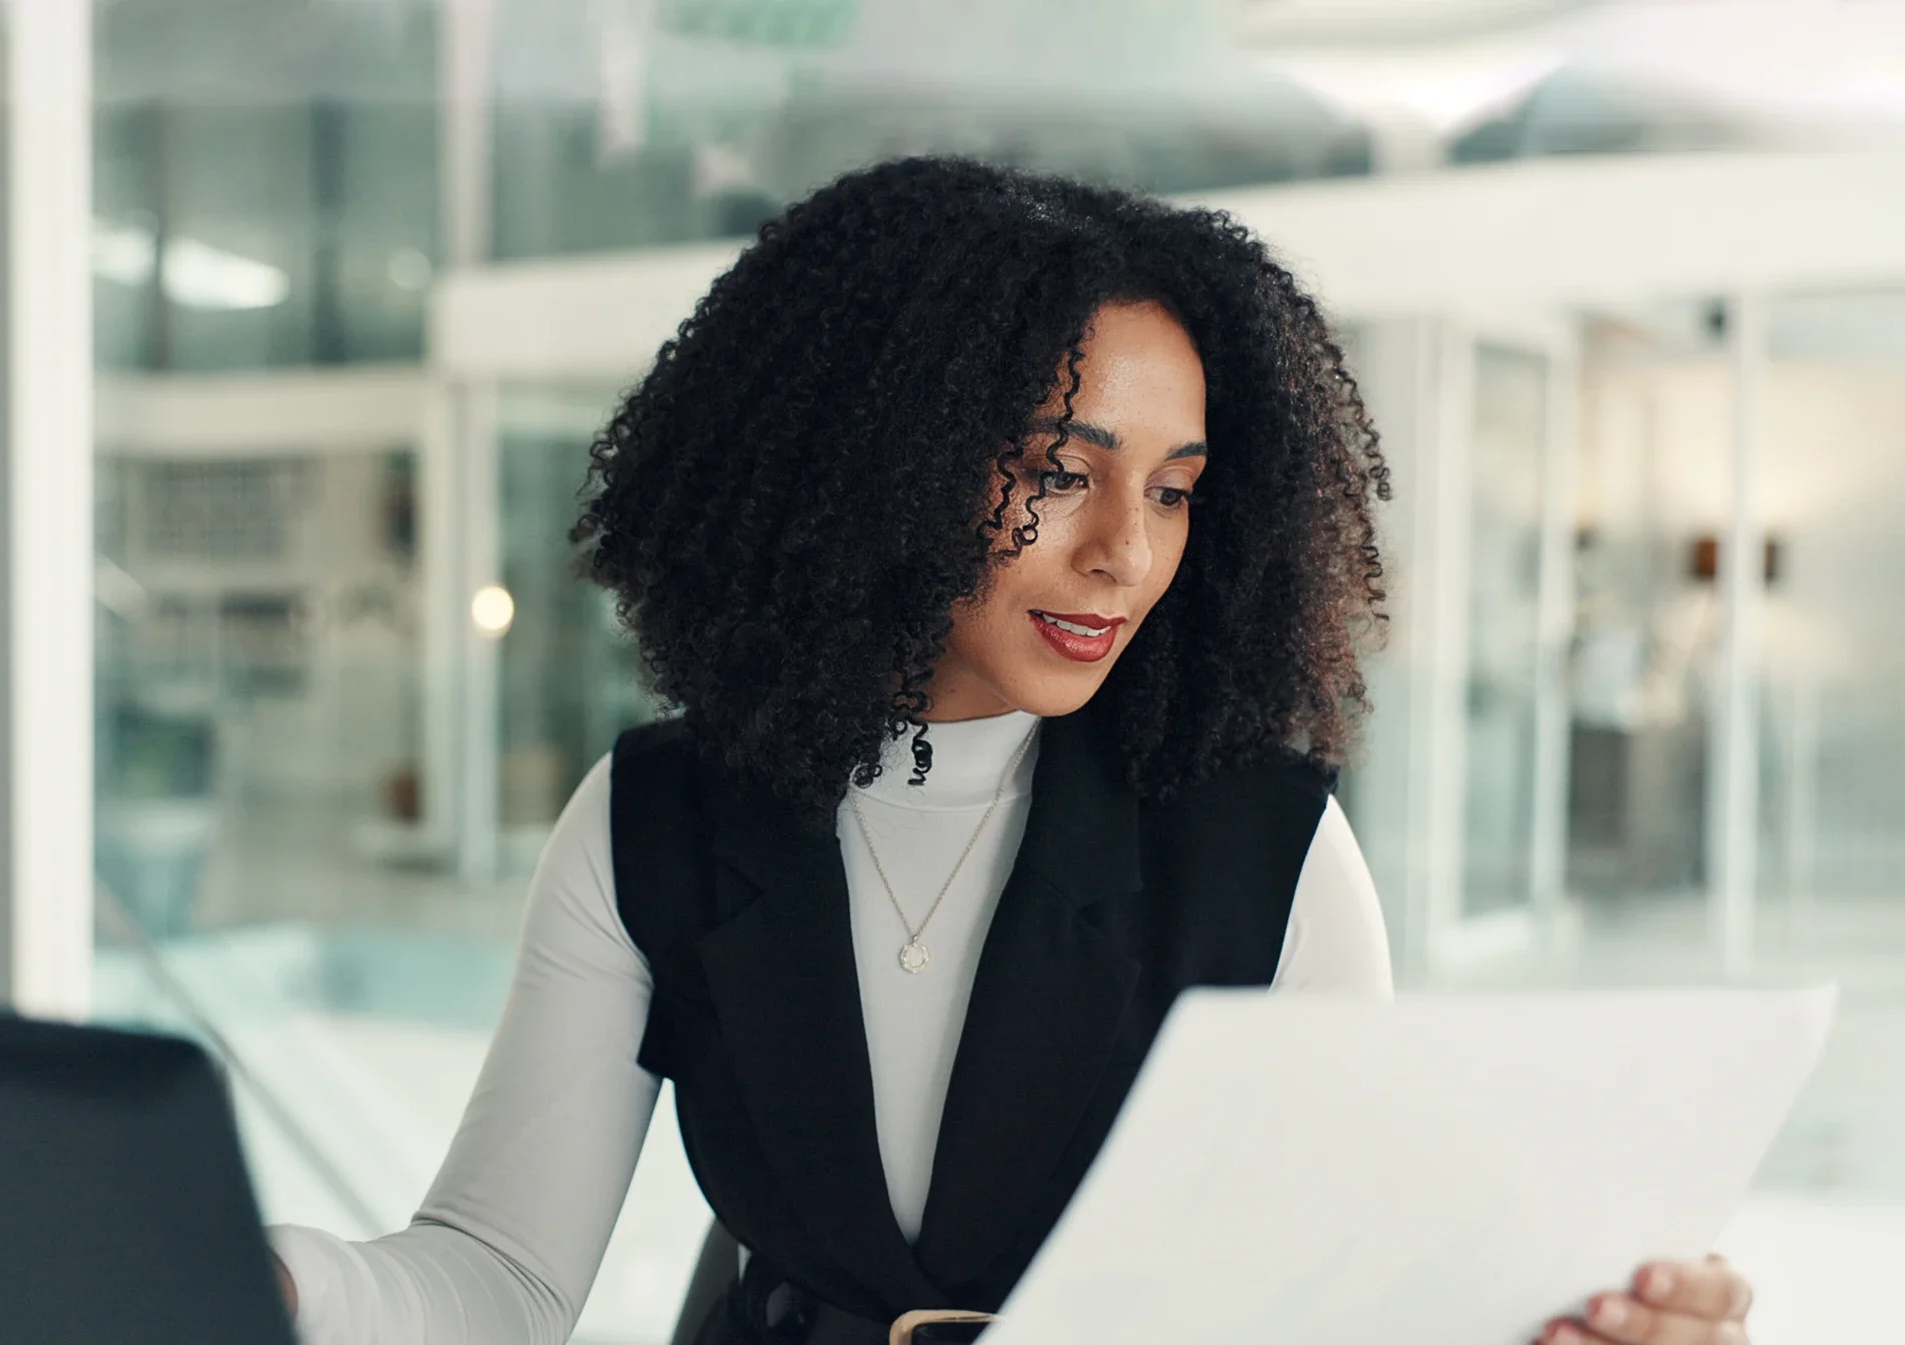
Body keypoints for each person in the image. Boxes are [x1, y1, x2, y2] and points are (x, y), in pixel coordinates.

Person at [268, 158, 1757, 1345]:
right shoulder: (657, 820)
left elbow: (1336, 1300)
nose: (1125, 552)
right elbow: (497, 1284)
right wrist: (269, 1281)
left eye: (1174, 491)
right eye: (1061, 472)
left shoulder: (1261, 846)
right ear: (872, 462)